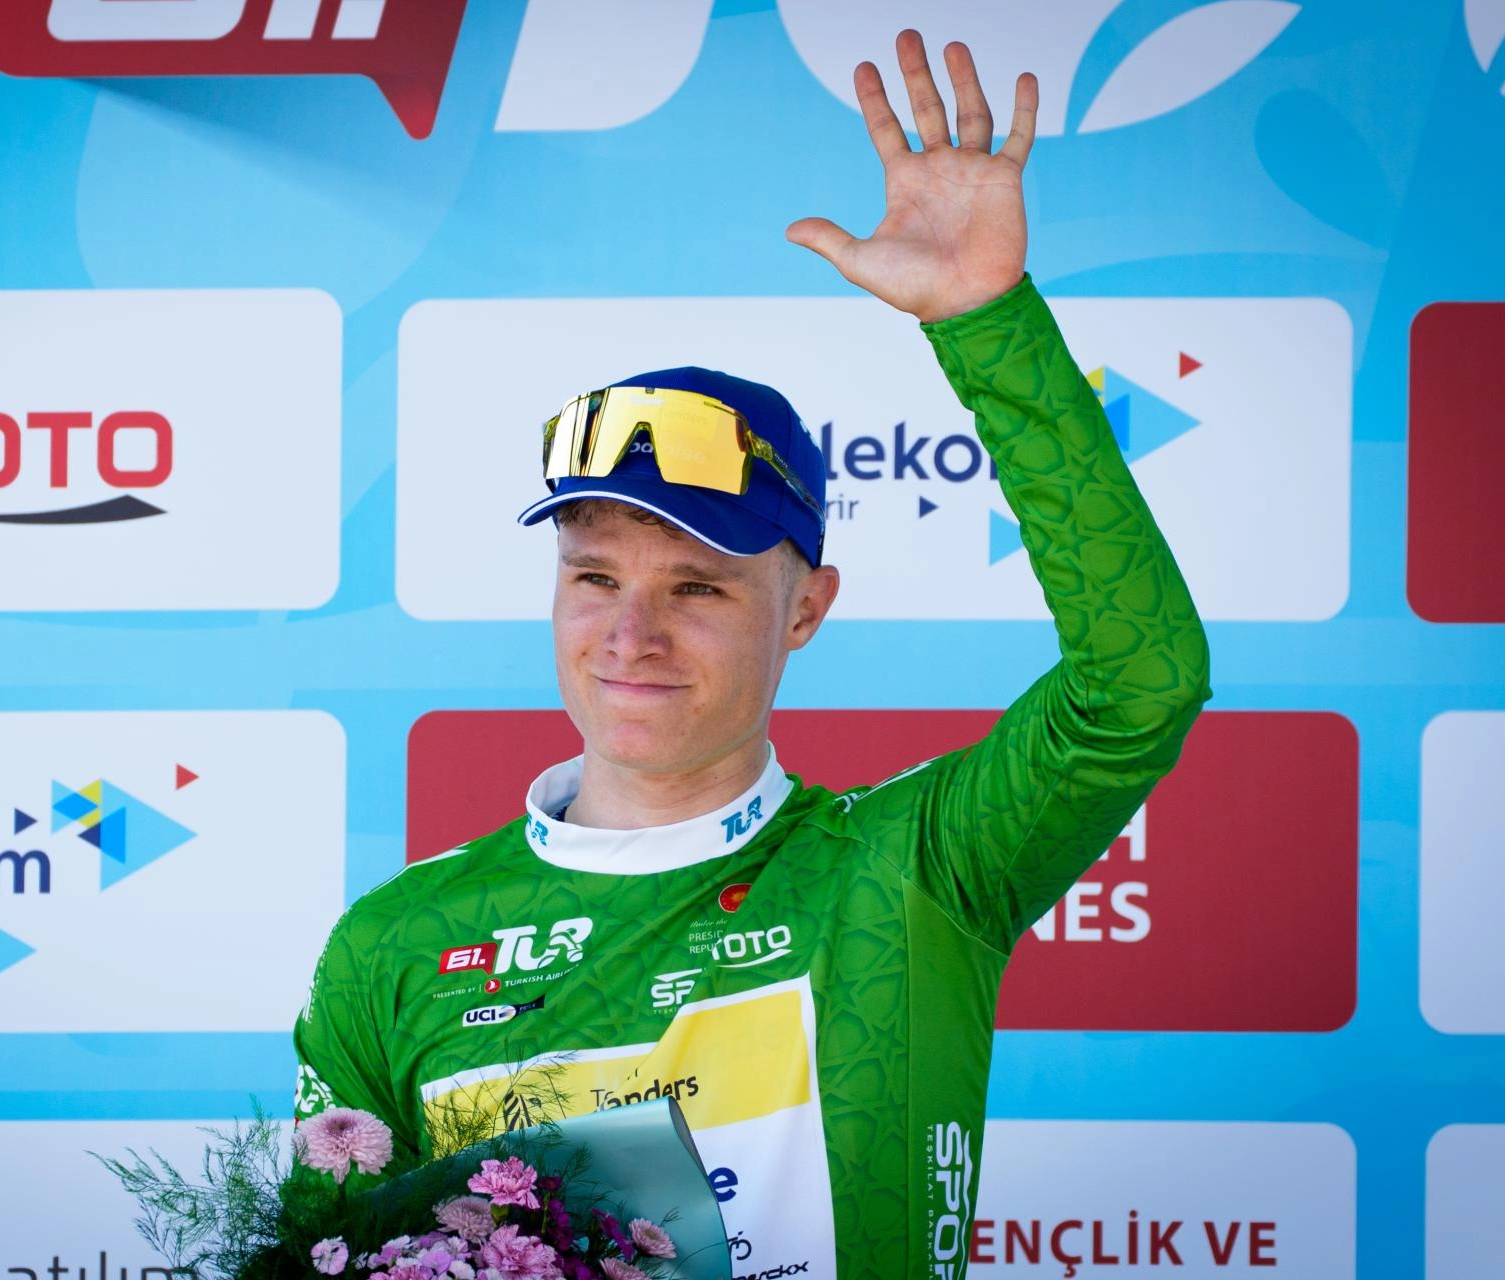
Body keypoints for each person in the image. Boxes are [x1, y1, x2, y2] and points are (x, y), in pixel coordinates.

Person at [292, 29, 1212, 1280]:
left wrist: (988, 325)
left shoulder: (911, 869)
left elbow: (1141, 680)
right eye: (595, 578)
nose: (631, 635)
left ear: (806, 608)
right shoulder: (396, 942)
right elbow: (313, 1255)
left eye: (698, 586)